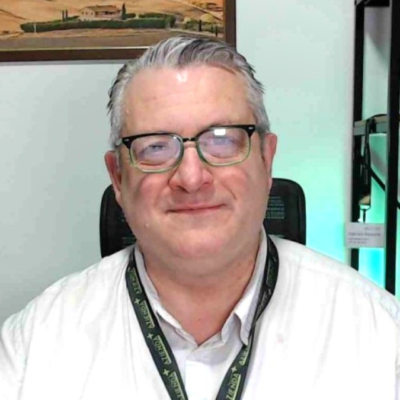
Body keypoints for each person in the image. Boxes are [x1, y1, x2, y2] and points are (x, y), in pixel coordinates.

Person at [0, 36, 399, 400]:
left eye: (222, 140)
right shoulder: (33, 345)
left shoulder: (381, 336)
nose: (191, 178)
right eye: (156, 147)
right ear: (118, 177)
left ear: (267, 159)